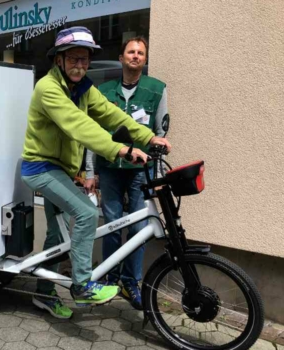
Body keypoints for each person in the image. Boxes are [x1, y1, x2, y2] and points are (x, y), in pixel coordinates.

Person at [21, 27, 171, 319]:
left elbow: (112, 114)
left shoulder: (83, 88)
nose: (80, 65)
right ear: (59, 60)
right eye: (74, 59)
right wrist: (121, 149)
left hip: (60, 169)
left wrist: (148, 137)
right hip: (40, 168)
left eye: (85, 60)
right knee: (87, 214)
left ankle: (44, 293)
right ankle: (82, 285)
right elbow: (79, 125)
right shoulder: (48, 88)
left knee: (56, 236)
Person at [84, 36, 168, 310]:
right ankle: (110, 278)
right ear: (121, 58)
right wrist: (90, 170)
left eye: (140, 53)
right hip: (109, 168)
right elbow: (91, 132)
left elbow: (159, 134)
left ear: (144, 60)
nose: (135, 56)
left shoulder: (157, 89)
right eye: (130, 52)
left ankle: (132, 282)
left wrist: (155, 176)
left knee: (137, 228)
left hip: (139, 171)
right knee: (110, 226)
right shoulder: (103, 90)